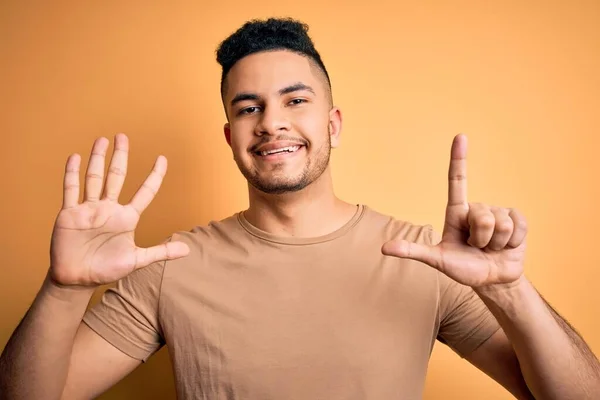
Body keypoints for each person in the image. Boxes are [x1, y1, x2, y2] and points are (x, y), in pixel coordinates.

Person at [1, 17, 599, 400]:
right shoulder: (170, 265)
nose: (273, 122)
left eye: (295, 99)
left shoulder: (425, 259)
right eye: (248, 107)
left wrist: (511, 291)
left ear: (333, 124)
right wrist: (62, 288)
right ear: (230, 134)